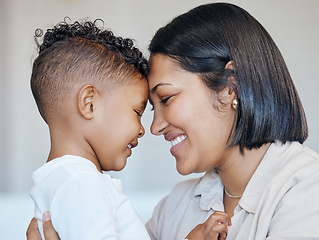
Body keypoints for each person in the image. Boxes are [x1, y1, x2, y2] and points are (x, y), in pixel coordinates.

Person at [27, 2, 319, 240]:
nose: (154, 128)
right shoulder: (178, 205)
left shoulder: (306, 189)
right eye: (151, 109)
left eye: (165, 99)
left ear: (232, 86)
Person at [28, 19, 151, 239]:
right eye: (137, 112)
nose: (142, 130)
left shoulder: (69, 181)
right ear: (89, 103)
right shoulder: (79, 183)